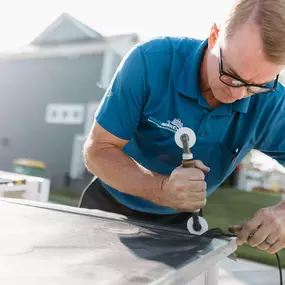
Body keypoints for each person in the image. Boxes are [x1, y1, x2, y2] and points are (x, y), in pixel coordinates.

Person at [80, 0, 285, 255]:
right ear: (214, 37)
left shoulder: (273, 102)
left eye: (256, 85)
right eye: (230, 74)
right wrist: (161, 189)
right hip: (109, 204)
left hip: (183, 221)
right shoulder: (150, 62)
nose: (238, 93)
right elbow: (97, 151)